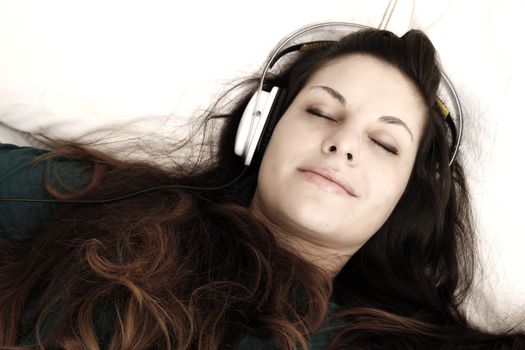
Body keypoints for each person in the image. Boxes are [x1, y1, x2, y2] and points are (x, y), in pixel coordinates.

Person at [0, 26, 523, 350]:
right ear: (262, 130)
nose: (343, 144)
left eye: (385, 144)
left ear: (406, 198)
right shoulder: (110, 203)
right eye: (320, 111)